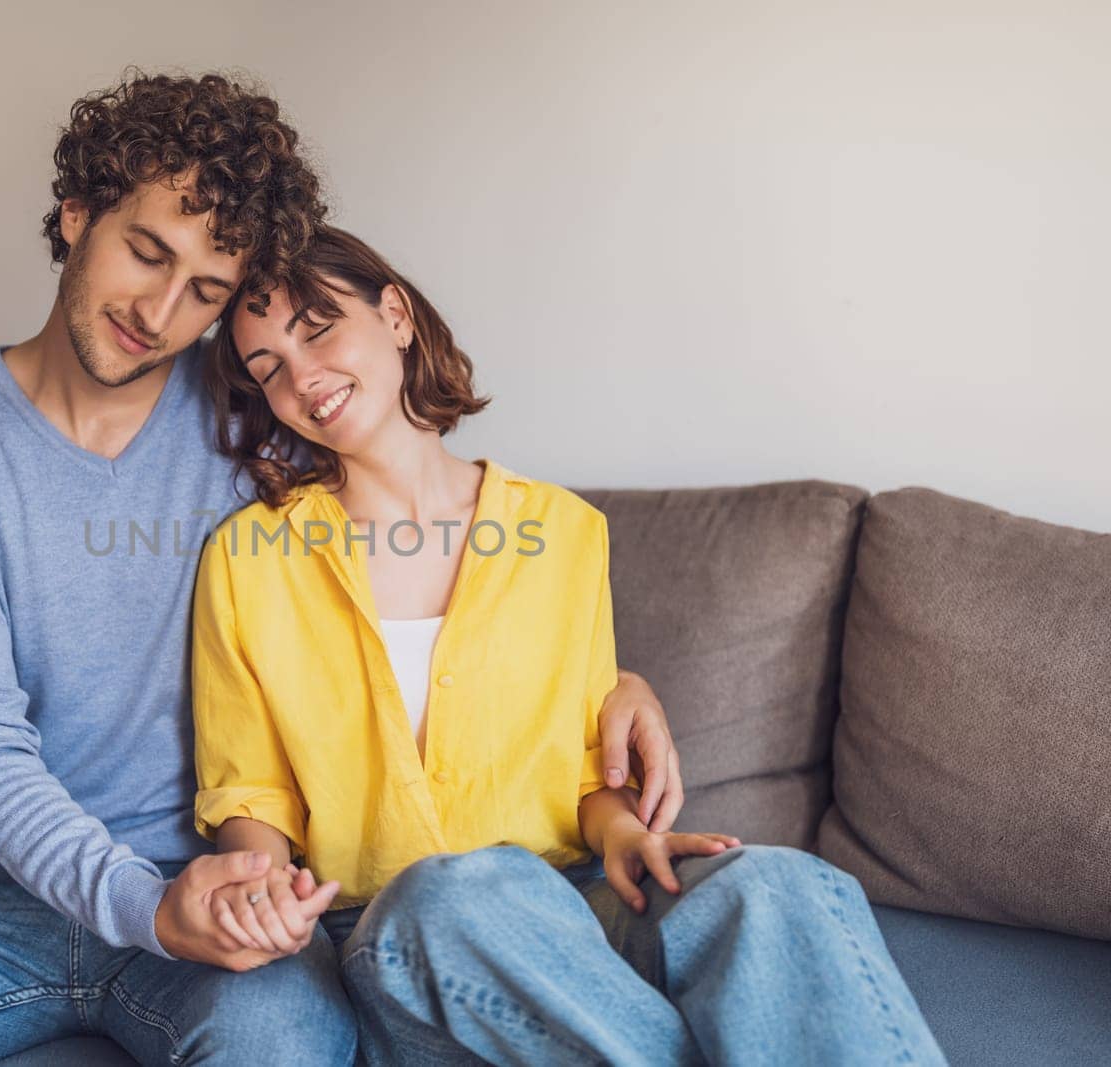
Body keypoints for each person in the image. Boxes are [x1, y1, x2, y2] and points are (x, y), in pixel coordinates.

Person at [0, 73, 686, 1065]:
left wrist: (614, 684)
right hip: (7, 895)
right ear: (79, 211)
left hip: (241, 895)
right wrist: (137, 902)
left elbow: (447, 548)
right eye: (147, 250)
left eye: (207, 289)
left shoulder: (260, 415)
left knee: (280, 1044)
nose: (161, 311)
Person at [192, 225, 947, 1066]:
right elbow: (248, 790)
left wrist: (627, 837)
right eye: (268, 369)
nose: (300, 378)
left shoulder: (561, 531)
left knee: (779, 883)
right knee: (455, 892)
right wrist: (258, 890)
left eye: (317, 328)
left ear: (396, 315)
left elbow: (588, 771)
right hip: (404, 933)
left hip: (576, 905)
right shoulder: (249, 558)